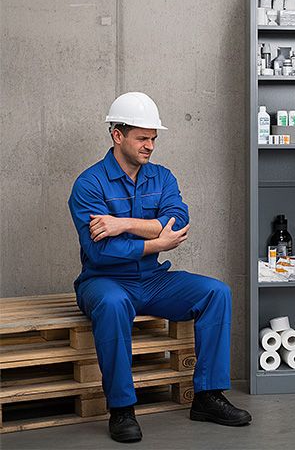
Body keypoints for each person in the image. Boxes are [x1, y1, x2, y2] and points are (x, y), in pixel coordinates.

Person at [68, 92, 251, 443]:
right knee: (112, 303)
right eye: (142, 137)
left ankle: (207, 397)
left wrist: (123, 224)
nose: (150, 145)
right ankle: (122, 409)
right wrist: (155, 242)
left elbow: (177, 222)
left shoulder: (162, 178)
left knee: (216, 292)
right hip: (104, 281)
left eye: (153, 138)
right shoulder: (88, 184)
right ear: (117, 135)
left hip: (153, 280)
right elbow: (101, 251)